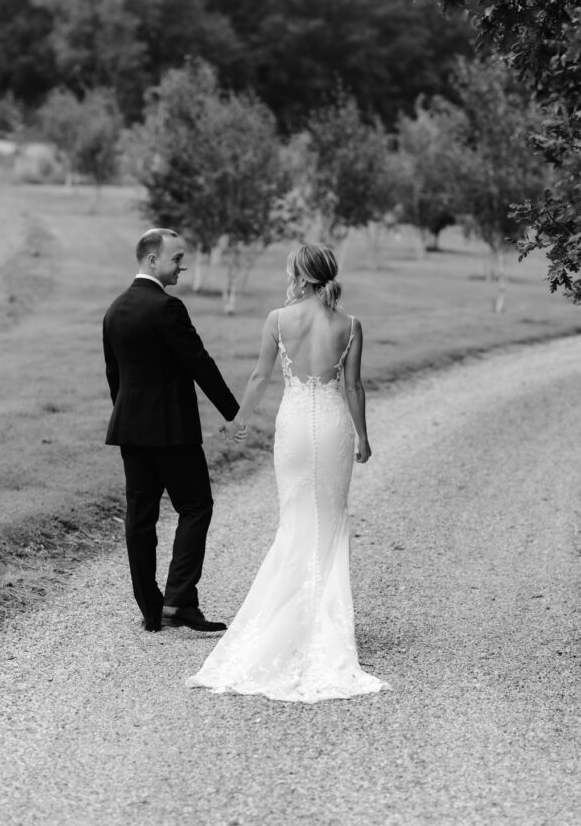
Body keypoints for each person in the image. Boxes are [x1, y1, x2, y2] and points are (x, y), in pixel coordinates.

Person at [187, 244, 388, 701]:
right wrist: (363, 435)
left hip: (295, 424)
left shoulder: (278, 319)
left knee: (294, 520)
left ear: (300, 274)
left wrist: (238, 420)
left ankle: (288, 620)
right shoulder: (351, 325)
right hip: (333, 425)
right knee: (330, 520)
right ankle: (323, 623)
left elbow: (260, 378)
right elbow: (354, 386)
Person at [103, 228, 240, 633]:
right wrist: (233, 413)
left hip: (130, 430)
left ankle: (151, 609)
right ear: (152, 260)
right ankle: (179, 601)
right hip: (172, 431)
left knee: (140, 518)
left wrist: (128, 417)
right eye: (177, 258)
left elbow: (114, 376)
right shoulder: (168, 308)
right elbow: (199, 363)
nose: (183, 266)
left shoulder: (114, 309)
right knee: (196, 506)